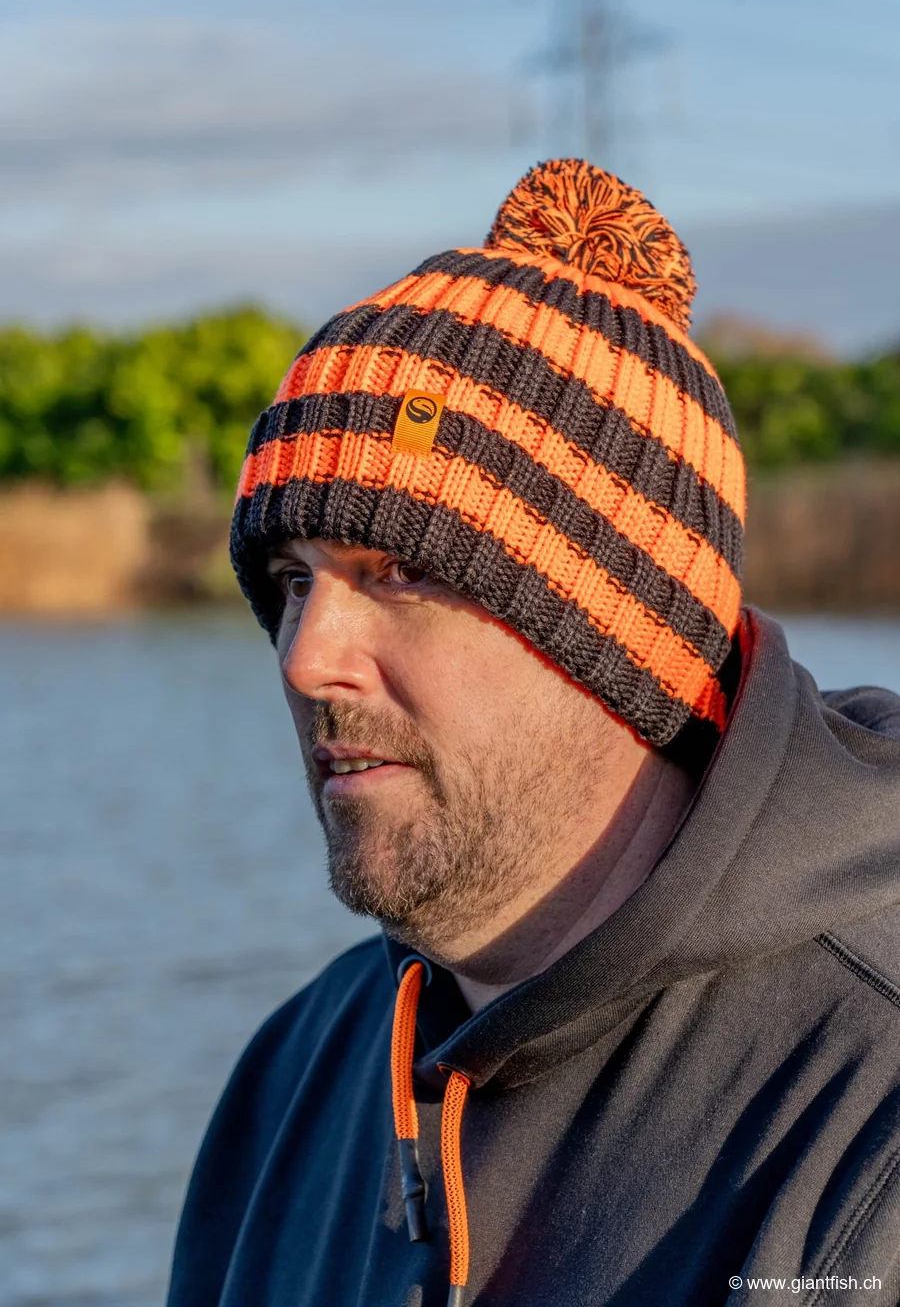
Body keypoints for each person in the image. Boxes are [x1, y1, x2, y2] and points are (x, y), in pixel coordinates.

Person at [165, 159, 900, 1307]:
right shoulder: (295, 1078)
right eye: (292, 580)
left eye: (398, 572)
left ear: (615, 639)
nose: (306, 657)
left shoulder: (868, 1108)